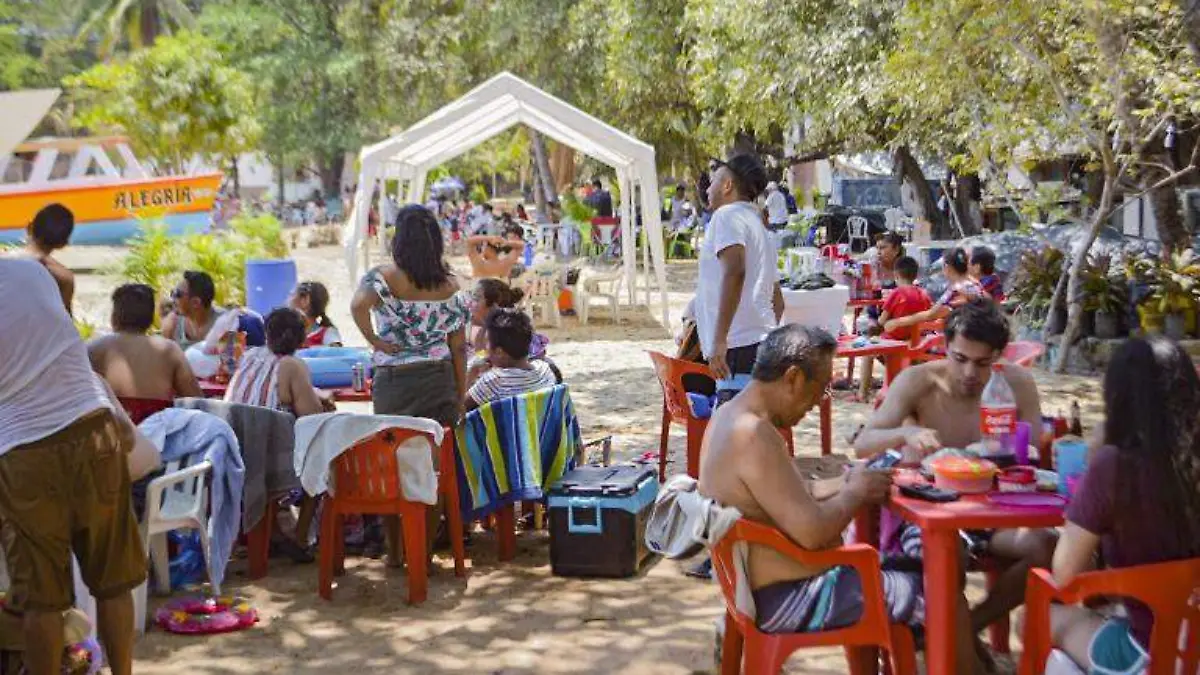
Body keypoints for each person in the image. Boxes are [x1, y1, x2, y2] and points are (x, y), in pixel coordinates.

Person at [696, 325, 976, 664]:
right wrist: (854, 493)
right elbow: (813, 533)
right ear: (794, 377)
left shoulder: (727, 417)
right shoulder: (755, 435)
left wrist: (845, 484)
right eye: (819, 388)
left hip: (753, 591)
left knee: (920, 570)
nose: (817, 402)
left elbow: (781, 496)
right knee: (942, 592)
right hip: (785, 599)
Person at [853, 300, 1056, 662]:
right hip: (933, 515)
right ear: (945, 347)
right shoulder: (918, 380)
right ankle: (960, 651)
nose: (969, 373)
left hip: (992, 511)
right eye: (959, 359)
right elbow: (863, 444)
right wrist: (904, 432)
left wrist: (1006, 451)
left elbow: (1034, 454)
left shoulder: (1017, 384)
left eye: (983, 363)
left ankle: (964, 629)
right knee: (947, 559)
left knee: (1047, 547)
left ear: (1000, 356)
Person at [0, 259, 145, 675]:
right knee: (112, 581)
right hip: (93, 427)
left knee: (41, 599)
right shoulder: (30, 272)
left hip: (25, 450)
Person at [1047, 336, 1200, 674]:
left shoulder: (1116, 466)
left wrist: (1096, 457)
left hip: (1150, 653)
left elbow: (1064, 574)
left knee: (1042, 618)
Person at [350, 204, 470, 566]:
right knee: (433, 470)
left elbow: (357, 305)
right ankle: (426, 552)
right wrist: (460, 393)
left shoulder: (383, 277)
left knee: (391, 466)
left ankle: (394, 552)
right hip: (438, 377)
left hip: (393, 382)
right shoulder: (450, 285)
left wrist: (375, 340)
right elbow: (459, 346)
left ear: (399, 240)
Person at [693, 154, 784, 405]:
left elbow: (735, 271)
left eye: (713, 181)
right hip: (759, 343)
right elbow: (777, 299)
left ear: (727, 185)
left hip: (737, 346)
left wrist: (720, 340)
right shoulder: (757, 225)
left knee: (733, 437)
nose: (708, 188)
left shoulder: (727, 216)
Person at [88, 283, 203, 421]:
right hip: (156, 433)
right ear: (150, 318)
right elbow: (196, 402)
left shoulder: (93, 348)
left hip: (109, 432)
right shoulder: (169, 350)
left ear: (114, 316)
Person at [224, 307, 328, 417]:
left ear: (266, 333)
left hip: (232, 429)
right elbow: (313, 417)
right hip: (267, 431)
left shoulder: (249, 356)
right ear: (302, 341)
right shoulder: (292, 366)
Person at [859, 256, 931, 400]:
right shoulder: (923, 294)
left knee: (867, 353)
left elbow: (881, 320)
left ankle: (863, 393)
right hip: (915, 343)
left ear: (896, 275)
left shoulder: (896, 293)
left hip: (893, 343)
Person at [465, 308, 557, 410]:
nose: (485, 348)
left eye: (487, 343)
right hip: (539, 425)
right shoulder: (545, 369)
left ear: (499, 352)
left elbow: (461, 408)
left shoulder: (495, 381)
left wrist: (471, 375)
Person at [882, 247, 982, 335]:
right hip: (977, 335)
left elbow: (930, 314)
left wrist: (896, 322)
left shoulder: (956, 291)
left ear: (947, 267)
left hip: (961, 340)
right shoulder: (976, 284)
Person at [16, 203, 75, 314]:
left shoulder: (5, 261)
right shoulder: (64, 278)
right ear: (63, 244)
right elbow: (64, 322)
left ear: (28, 227)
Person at [162, 270, 226, 350]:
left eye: (177, 294)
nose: (173, 298)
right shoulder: (172, 325)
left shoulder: (226, 323)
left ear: (196, 302)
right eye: (172, 293)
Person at [289, 281, 342, 347]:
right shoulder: (287, 334)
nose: (288, 301)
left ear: (305, 300)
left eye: (291, 295)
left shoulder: (328, 333)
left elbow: (337, 353)